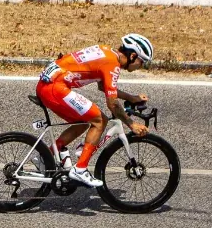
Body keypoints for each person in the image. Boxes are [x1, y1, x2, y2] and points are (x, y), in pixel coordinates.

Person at [36, 34, 154, 188]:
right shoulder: (112, 64)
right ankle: (80, 169)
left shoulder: (107, 52)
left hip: (48, 86)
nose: (141, 66)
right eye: (142, 62)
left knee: (84, 122)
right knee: (100, 121)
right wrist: (132, 124)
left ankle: (46, 156)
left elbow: (102, 86)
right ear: (132, 56)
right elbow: (113, 104)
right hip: (55, 88)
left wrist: (131, 98)